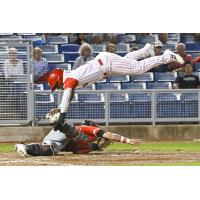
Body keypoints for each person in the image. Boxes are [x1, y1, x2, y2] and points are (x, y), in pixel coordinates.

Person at [47, 43, 184, 131]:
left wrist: (62, 115)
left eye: (56, 84)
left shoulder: (69, 80)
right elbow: (69, 94)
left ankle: (166, 56)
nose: (58, 87)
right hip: (105, 65)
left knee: (138, 68)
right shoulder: (71, 79)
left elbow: (67, 94)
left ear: (58, 78)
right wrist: (60, 109)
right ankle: (146, 49)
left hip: (106, 64)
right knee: (128, 60)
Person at [15, 110, 142, 157]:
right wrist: (129, 141)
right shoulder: (88, 129)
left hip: (63, 140)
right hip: (64, 133)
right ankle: (26, 147)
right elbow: (109, 135)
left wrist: (95, 147)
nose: (104, 142)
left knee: (51, 149)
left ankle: (26, 147)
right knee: (70, 132)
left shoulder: (89, 146)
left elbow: (76, 151)